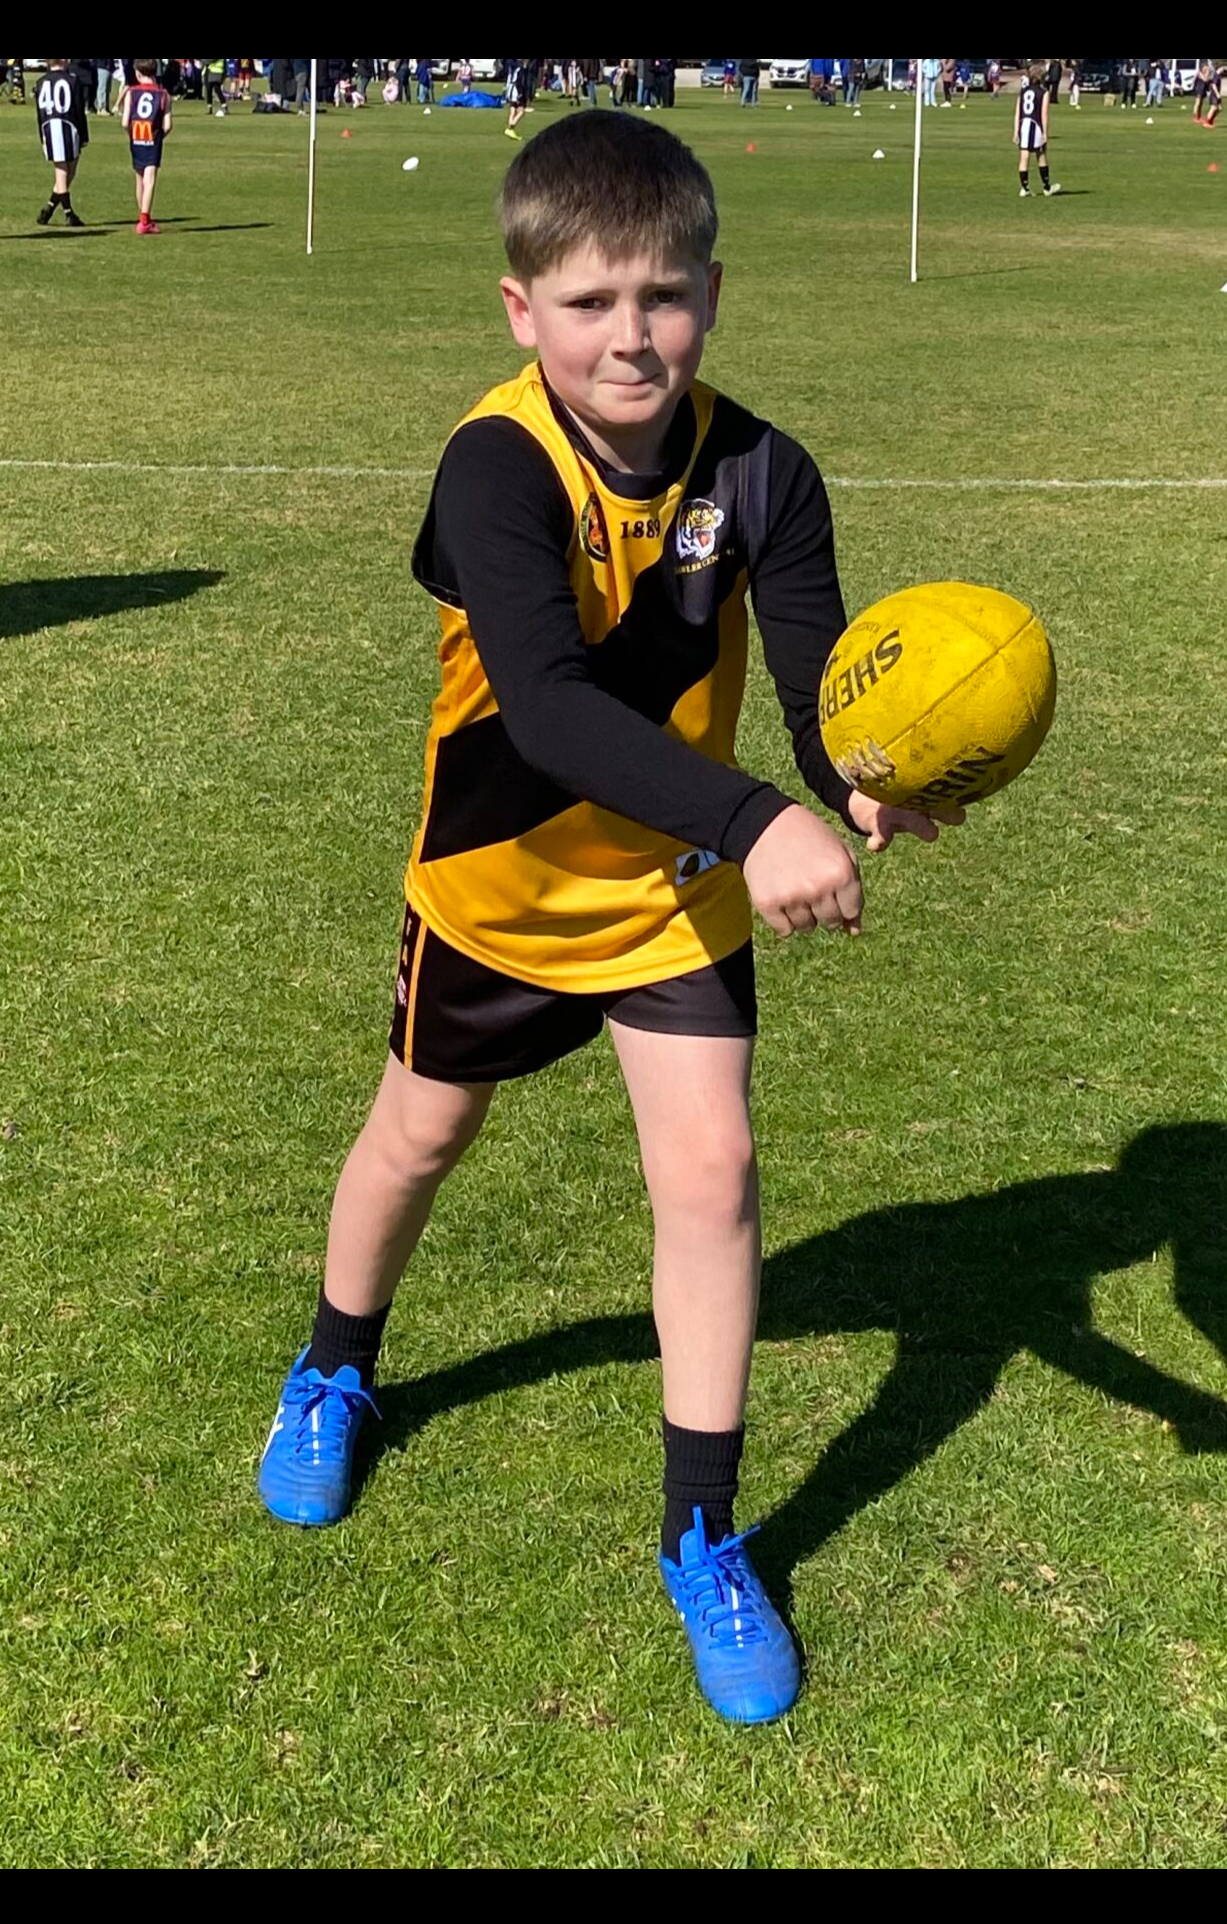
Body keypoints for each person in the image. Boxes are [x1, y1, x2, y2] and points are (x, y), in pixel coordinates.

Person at [254, 107, 963, 1728]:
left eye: (662, 295)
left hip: (667, 892)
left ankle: (700, 1529)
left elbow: (816, 689)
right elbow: (550, 706)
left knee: (711, 1174)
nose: (628, 334)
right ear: (522, 310)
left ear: (711, 291)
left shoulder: (766, 471)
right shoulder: (494, 465)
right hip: (499, 885)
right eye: (587, 302)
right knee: (418, 1137)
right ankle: (334, 1365)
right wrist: (761, 818)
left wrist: (861, 779)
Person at [118, 57, 172, 234]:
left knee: (140, 179)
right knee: (150, 180)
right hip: (153, 138)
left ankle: (143, 216)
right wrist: (159, 137)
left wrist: (132, 134)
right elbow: (167, 126)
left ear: (138, 73)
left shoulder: (131, 92)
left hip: (136, 137)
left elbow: (125, 122)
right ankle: (144, 221)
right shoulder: (164, 94)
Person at [34, 57, 89, 226]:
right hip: (67, 126)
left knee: (68, 172)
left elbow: (39, 113)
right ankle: (68, 213)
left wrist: (41, 134)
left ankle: (49, 208)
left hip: (50, 127)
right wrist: (84, 133)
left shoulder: (41, 82)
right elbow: (79, 109)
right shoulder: (72, 80)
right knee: (63, 170)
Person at [1015, 65, 1060, 197]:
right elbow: (1044, 114)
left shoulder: (1023, 91)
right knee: (1041, 155)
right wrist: (1045, 133)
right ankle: (1047, 187)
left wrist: (1016, 131)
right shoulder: (1043, 92)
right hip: (1036, 126)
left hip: (1023, 125)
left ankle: (1024, 188)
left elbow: (1018, 112)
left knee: (1024, 157)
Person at [504, 57, 529, 138]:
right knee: (521, 111)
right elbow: (520, 82)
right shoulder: (520, 68)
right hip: (516, 91)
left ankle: (509, 130)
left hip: (510, 89)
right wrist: (521, 93)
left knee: (513, 109)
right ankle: (511, 127)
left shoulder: (512, 65)